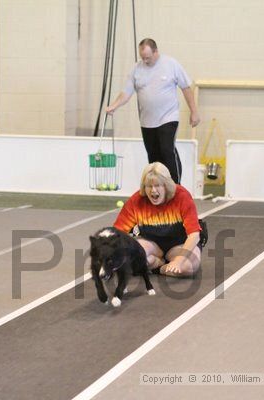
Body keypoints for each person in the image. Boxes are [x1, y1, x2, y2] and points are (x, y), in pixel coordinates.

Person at [105, 38, 200, 184]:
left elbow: (186, 88)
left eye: (148, 57)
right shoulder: (136, 69)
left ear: (156, 52)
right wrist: (114, 106)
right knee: (153, 155)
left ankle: (176, 186)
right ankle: (158, 188)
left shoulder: (171, 64)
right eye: (142, 58)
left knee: (167, 150)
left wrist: (194, 111)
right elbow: (126, 93)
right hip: (147, 121)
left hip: (168, 117)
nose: (145, 61)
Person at [114, 162, 202, 277]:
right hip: (150, 243)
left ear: (166, 185)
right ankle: (156, 263)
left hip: (179, 244)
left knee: (189, 266)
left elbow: (194, 235)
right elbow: (117, 233)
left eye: (158, 185)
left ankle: (160, 268)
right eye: (149, 186)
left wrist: (178, 261)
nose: (153, 191)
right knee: (127, 261)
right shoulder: (137, 200)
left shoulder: (182, 196)